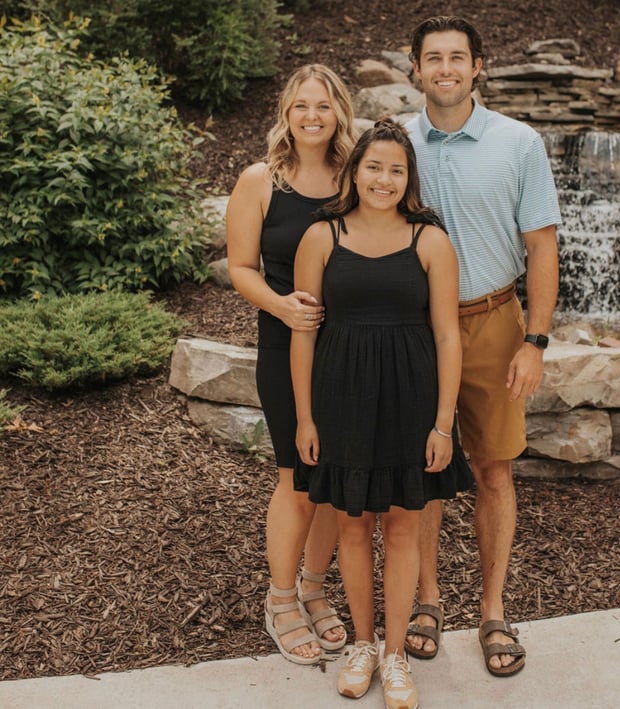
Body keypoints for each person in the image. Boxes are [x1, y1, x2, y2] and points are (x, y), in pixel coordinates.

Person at [291, 118, 471, 709]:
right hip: (340, 396)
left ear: (408, 178)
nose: (384, 178)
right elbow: (303, 334)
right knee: (350, 525)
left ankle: (395, 656)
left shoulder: (430, 241)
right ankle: (361, 645)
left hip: (410, 399)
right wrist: (305, 418)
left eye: (396, 169)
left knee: (401, 525)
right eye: (374, 167)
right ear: (355, 171)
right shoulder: (322, 236)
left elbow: (448, 336)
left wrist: (443, 423)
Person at [404, 16, 561, 677]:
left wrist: (535, 341)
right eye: (432, 58)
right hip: (412, 329)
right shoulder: (393, 143)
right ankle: (427, 600)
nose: (444, 68)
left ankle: (493, 609)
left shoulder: (517, 143)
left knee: (494, 469)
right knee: (422, 471)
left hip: (494, 320)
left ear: (477, 67)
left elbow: (542, 246)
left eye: (456, 58)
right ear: (414, 69)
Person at [225, 64, 356, 664]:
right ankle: (280, 600)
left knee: (331, 482)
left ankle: (313, 587)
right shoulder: (259, 181)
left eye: (323, 106)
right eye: (302, 105)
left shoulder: (355, 179)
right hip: (285, 345)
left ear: (339, 114)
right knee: (297, 477)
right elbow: (241, 268)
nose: (312, 116)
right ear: (287, 111)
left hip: (350, 349)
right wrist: (283, 307)